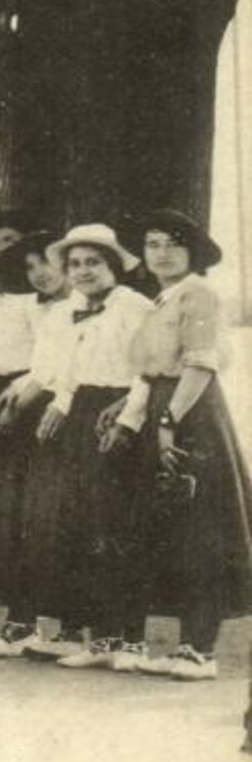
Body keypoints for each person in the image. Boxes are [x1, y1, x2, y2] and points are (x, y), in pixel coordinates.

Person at [122, 210, 252, 680]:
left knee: (202, 529)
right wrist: (131, 416)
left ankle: (201, 648)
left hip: (191, 411)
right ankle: (184, 644)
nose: (161, 253)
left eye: (172, 244)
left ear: (191, 252)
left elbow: (200, 364)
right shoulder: (162, 299)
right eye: (152, 244)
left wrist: (170, 420)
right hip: (163, 404)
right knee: (172, 526)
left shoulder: (199, 294)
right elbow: (149, 367)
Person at [18, 224, 152, 670]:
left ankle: (129, 640)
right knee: (74, 523)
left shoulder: (135, 306)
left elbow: (148, 371)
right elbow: (65, 369)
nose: (82, 271)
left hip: (118, 413)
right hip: (79, 413)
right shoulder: (66, 310)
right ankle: (92, 635)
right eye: (74, 264)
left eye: (93, 262)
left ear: (113, 266)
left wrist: (128, 414)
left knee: (116, 526)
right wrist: (61, 401)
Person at [0, 231, 71, 658]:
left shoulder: (81, 308)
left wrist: (28, 387)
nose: (40, 274)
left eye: (45, 262)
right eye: (29, 267)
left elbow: (63, 367)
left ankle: (49, 623)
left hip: (61, 412)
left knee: (49, 516)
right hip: (30, 406)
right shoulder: (35, 306)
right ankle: (21, 621)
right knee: (20, 514)